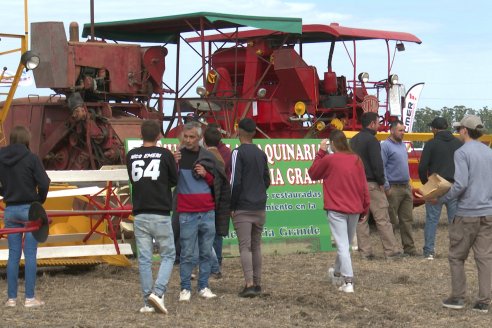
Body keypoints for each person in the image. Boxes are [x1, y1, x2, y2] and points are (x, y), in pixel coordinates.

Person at [438, 115, 492, 313]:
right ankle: (483, 301)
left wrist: (443, 198)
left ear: (464, 131)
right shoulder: (489, 152)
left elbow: (460, 184)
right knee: (485, 258)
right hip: (487, 213)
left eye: (459, 128)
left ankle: (458, 298)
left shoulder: (461, 153)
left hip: (467, 213)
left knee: (456, 256)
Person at [126, 120, 178, 314]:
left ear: (140, 135)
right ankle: (158, 292)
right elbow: (174, 179)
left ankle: (148, 301)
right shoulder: (165, 155)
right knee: (168, 254)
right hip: (160, 212)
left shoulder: (131, 155)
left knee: (145, 259)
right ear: (159, 136)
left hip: (140, 212)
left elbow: (133, 179)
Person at [173, 122, 230, 302]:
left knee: (206, 252)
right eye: (186, 137)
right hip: (187, 212)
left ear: (199, 138)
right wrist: (173, 164)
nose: (188, 140)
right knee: (187, 253)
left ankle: (204, 286)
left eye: (192, 137)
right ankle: (185, 289)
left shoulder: (208, 157)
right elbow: (170, 181)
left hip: (207, 212)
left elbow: (218, 183)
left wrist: (206, 174)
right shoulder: (177, 157)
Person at [308, 130, 369, 293]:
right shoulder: (356, 159)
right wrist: (365, 207)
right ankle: (336, 273)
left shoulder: (330, 159)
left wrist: (320, 152)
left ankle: (348, 281)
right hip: (355, 208)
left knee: (343, 245)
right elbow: (364, 186)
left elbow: (312, 173)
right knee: (345, 244)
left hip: (336, 208)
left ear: (332, 144)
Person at [0, 126, 51, 308]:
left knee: (13, 254)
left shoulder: (1, 158)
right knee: (30, 254)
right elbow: (44, 182)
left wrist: (4, 191)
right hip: (30, 209)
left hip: (10, 210)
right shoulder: (31, 158)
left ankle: (11, 299)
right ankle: (30, 299)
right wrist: (39, 201)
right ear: (26, 140)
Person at [350, 112, 403, 260]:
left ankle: (365, 252)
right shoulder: (372, 141)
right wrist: (381, 182)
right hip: (372, 184)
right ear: (372, 124)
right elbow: (377, 164)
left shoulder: (353, 140)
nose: (379, 126)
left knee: (361, 220)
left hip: (357, 184)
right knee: (382, 219)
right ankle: (391, 252)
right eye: (378, 123)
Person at [230, 118, 270, 298]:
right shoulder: (261, 154)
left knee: (245, 247)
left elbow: (235, 182)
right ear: (254, 132)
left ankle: (249, 284)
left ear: (239, 131)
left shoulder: (237, 153)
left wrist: (232, 205)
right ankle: (258, 282)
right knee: (256, 246)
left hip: (243, 206)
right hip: (259, 205)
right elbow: (267, 180)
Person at [418, 117, 462, 260]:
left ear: (435, 129)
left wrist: (426, 183)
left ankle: (429, 251)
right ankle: (456, 251)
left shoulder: (431, 144)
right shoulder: (458, 143)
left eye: (432, 128)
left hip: (436, 186)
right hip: (454, 186)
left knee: (431, 220)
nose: (431, 130)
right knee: (454, 221)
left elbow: (422, 167)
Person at [381, 120, 417, 256]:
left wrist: (409, 183)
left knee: (407, 220)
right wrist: (386, 187)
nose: (403, 133)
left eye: (404, 130)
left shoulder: (402, 145)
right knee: (391, 221)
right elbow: (382, 167)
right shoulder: (385, 146)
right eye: (400, 130)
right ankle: (393, 249)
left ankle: (409, 249)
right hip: (393, 188)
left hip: (405, 187)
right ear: (392, 130)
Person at [203, 126, 232, 278]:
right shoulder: (226, 152)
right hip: (222, 198)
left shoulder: (204, 154)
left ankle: (212, 264)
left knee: (207, 234)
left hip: (209, 197)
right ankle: (217, 263)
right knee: (217, 233)